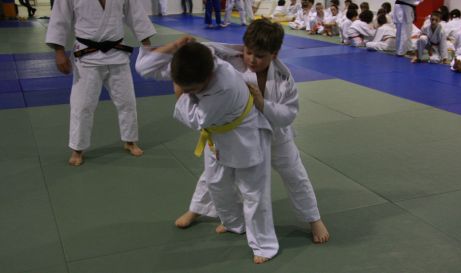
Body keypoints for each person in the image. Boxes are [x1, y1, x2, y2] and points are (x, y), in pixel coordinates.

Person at [174, 18, 330, 244]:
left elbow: (289, 113)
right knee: (213, 173)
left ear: (274, 55)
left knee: (295, 174)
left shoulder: (284, 79)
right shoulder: (231, 60)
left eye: (260, 56)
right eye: (248, 52)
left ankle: (313, 218)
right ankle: (197, 209)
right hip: (235, 132)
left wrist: (263, 104)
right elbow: (205, 53)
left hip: (275, 134)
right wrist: (188, 49)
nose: (252, 59)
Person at [136, 37, 278, 264]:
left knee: (253, 192)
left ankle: (265, 245)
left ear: (209, 76)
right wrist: (175, 47)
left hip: (245, 136)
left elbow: (196, 118)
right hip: (218, 135)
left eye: (192, 90)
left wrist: (180, 91)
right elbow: (144, 68)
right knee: (216, 182)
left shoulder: (225, 85)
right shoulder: (193, 59)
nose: (188, 91)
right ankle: (234, 224)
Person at [45, 0, 155, 166]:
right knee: (82, 105)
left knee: (127, 102)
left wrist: (146, 45)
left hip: (117, 54)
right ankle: (77, 148)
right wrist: (59, 52)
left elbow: (136, 13)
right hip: (87, 56)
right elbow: (60, 18)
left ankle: (130, 140)